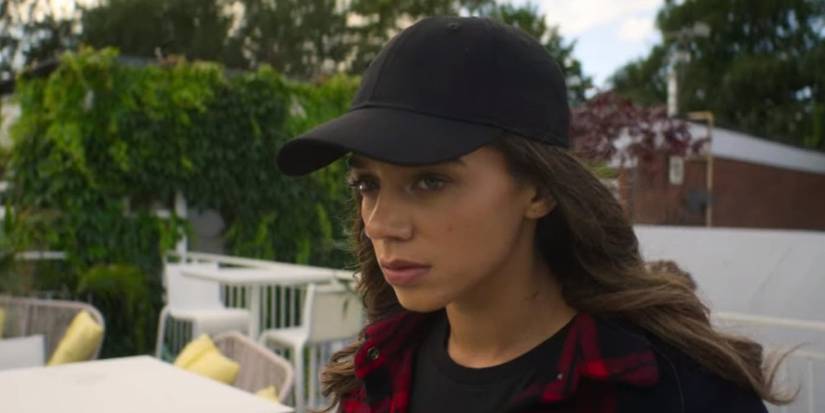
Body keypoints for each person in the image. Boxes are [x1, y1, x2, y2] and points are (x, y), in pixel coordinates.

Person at [276, 16, 789, 413]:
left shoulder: (675, 393)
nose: (382, 222)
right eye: (367, 184)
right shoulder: (378, 372)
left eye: (430, 180)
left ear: (539, 189)